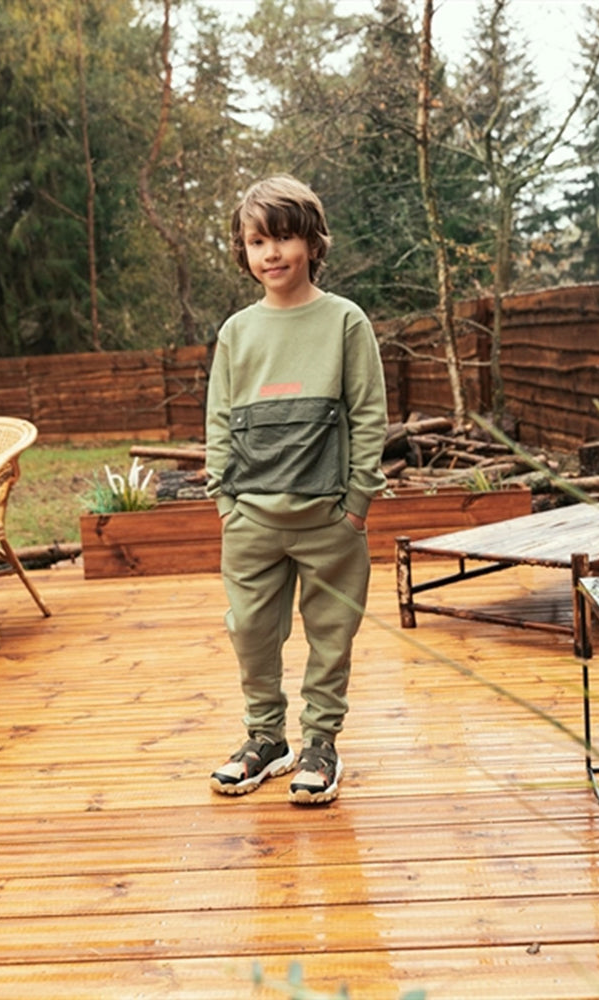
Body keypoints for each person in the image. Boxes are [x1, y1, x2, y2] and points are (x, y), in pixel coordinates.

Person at [205, 174, 388, 805]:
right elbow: (219, 418)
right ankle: (266, 738)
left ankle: (320, 742)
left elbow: (369, 414)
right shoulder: (236, 332)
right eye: (258, 241)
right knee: (251, 632)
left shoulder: (345, 322)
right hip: (251, 518)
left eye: (284, 237)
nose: (272, 253)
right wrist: (225, 501)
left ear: (312, 242)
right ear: (244, 251)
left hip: (329, 519)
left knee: (331, 633)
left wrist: (357, 505)